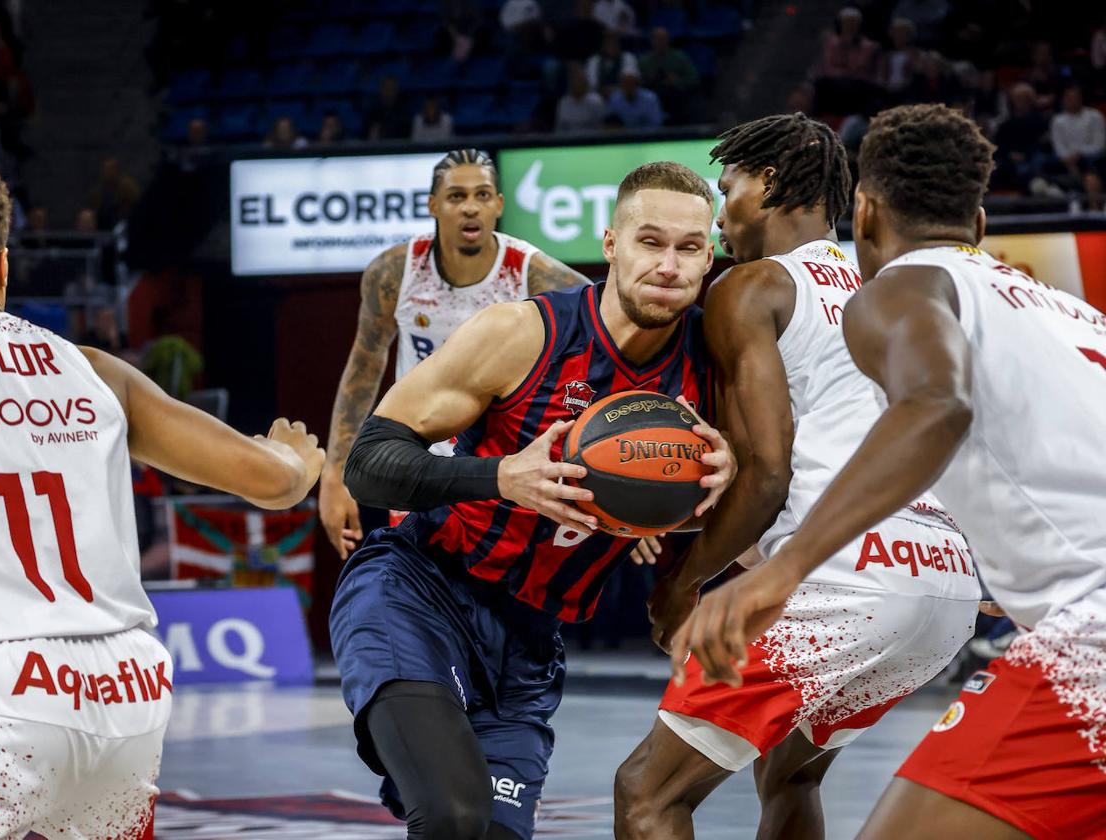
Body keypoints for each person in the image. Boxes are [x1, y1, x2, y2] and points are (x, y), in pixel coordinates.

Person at [672, 102, 1106, 839]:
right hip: (980, 601)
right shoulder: (1072, 315)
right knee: (790, 774)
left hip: (1087, 641)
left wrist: (782, 570)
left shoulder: (901, 289)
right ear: (981, 224)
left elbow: (937, 407)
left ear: (865, 213)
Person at [0, 152, 325, 837]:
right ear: (1, 268)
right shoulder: (93, 369)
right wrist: (296, 457)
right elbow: (272, 482)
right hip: (121, 694)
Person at [330, 160, 734, 840]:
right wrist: (499, 477)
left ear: (710, 256)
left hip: (530, 644)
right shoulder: (522, 333)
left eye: (689, 247)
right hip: (418, 591)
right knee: (453, 816)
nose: (668, 264)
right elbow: (369, 464)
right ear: (611, 245)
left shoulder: (713, 373)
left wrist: (710, 499)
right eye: (650, 241)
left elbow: (750, 508)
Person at [614, 113, 981, 840]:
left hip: (847, 584)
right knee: (790, 772)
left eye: (729, 190)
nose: (722, 218)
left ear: (769, 183)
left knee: (648, 795)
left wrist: (680, 584)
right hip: (945, 587)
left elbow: (769, 473)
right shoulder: (887, 288)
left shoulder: (752, 286)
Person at [318, 149, 590, 561]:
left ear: (499, 205)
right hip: (418, 461)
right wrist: (334, 475)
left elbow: (605, 344)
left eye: (482, 195)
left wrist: (614, 470)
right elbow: (363, 369)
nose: (470, 208)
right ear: (433, 205)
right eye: (456, 196)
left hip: (499, 466)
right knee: (419, 594)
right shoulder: (393, 272)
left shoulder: (536, 274)